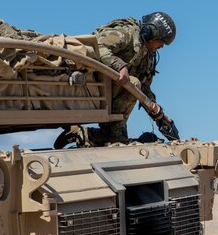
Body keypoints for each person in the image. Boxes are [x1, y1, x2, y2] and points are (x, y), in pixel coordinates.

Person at [54, 12, 179, 148]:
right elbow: (97, 47)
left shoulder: (148, 56)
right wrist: (119, 65)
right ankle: (93, 134)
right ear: (149, 33)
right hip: (97, 87)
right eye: (160, 41)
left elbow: (144, 87)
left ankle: (81, 133)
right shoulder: (126, 34)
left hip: (117, 92)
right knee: (133, 85)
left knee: (118, 140)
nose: (161, 46)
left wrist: (157, 112)